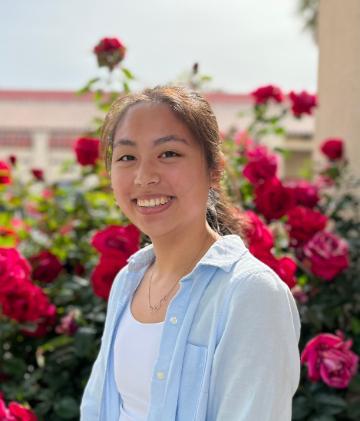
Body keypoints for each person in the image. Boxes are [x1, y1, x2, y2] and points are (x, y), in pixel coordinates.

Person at [80, 85, 301, 421]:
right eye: (127, 157)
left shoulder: (251, 293)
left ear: (214, 169)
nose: (144, 176)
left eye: (168, 153)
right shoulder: (129, 280)